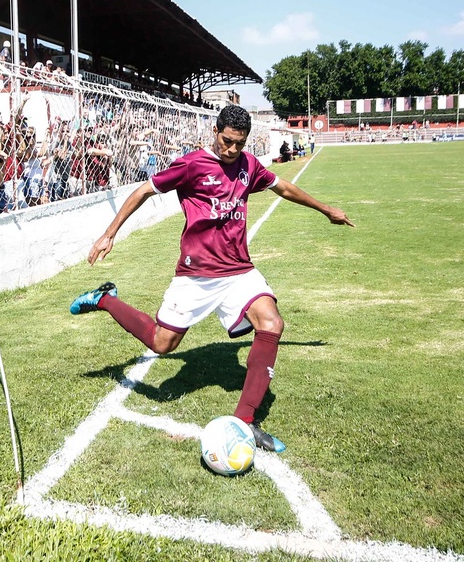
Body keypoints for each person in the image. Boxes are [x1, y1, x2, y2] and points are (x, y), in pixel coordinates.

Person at [72, 105, 353, 453]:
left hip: (239, 270)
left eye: (239, 143)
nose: (232, 149)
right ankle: (105, 299)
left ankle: (246, 422)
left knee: (272, 323)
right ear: (215, 131)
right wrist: (108, 234)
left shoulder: (249, 165)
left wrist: (326, 210)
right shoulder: (191, 165)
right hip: (196, 274)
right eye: (227, 141)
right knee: (162, 345)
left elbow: (283, 188)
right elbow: (143, 191)